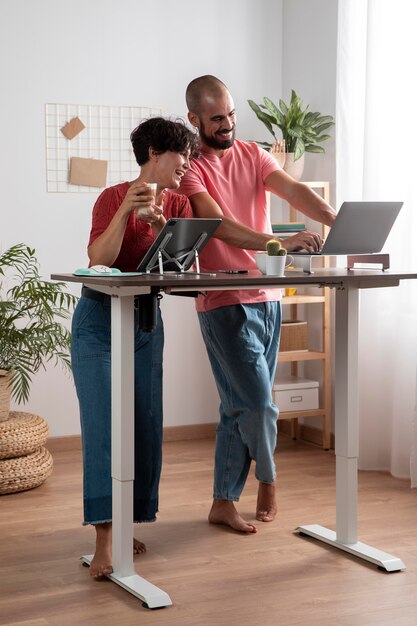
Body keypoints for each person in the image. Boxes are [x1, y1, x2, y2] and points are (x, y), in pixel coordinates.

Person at [178, 75, 337, 533]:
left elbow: (292, 190)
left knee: (238, 405)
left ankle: (222, 501)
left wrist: (333, 217)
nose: (227, 124)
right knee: (261, 404)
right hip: (223, 300)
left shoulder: (252, 153)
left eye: (230, 115)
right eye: (216, 118)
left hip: (268, 298)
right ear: (195, 119)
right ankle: (268, 479)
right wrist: (276, 246)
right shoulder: (190, 168)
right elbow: (217, 225)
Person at [71, 117, 198, 578]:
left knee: (145, 425)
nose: (186, 165)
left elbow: (181, 273)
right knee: (104, 427)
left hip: (146, 322)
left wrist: (166, 227)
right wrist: (126, 210)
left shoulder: (181, 202)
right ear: (154, 155)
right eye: (180, 156)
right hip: (98, 322)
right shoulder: (111, 197)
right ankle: (105, 538)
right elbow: (97, 260)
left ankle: (129, 522)